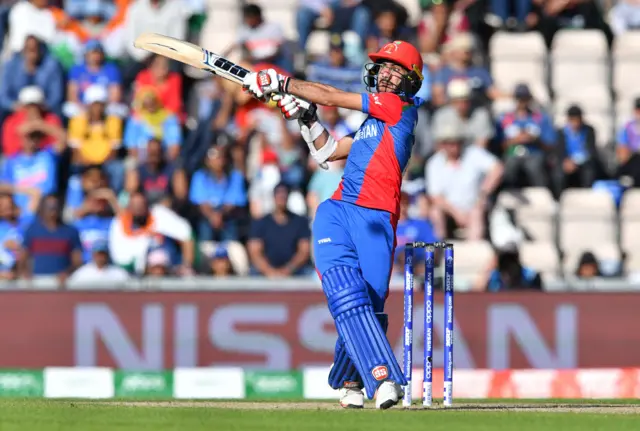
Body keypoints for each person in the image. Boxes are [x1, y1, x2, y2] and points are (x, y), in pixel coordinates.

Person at [243, 40, 424, 409]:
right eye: (383, 67)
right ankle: (384, 377)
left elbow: (329, 94)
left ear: (410, 81)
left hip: (377, 220)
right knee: (346, 293)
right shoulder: (373, 125)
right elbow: (325, 152)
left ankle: (346, 380)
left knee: (368, 306)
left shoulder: (398, 109)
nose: (387, 74)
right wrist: (306, 119)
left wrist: (282, 82)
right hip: (338, 212)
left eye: (395, 69)